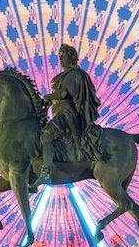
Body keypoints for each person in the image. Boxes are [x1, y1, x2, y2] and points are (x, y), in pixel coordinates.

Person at [32, 44, 103, 187]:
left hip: (67, 114)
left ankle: (46, 172)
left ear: (71, 57)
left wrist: (48, 96)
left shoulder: (74, 74)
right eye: (59, 56)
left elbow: (64, 93)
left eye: (62, 56)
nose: (60, 59)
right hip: (61, 112)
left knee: (46, 134)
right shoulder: (69, 74)